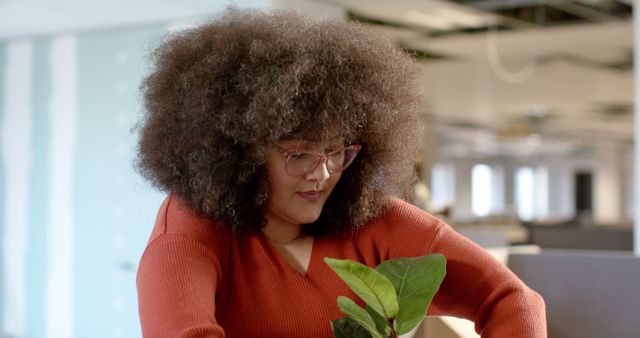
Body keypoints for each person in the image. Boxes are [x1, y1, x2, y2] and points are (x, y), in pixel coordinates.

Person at [135, 9, 546, 338]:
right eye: (299, 155)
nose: (324, 173)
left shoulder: (375, 220)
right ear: (238, 152)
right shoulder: (190, 232)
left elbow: (511, 299)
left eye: (337, 151)